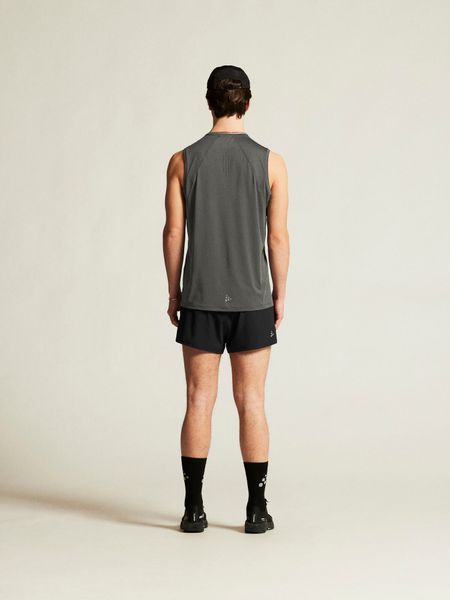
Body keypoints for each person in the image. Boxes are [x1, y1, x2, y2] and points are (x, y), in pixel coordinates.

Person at [162, 65, 290, 533]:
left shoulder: (182, 161)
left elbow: (173, 232)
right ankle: (256, 509)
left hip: (200, 298)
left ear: (209, 102)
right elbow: (278, 238)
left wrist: (174, 291)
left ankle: (193, 509)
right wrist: (279, 294)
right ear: (248, 102)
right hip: (253, 300)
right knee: (251, 400)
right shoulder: (272, 162)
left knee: (198, 399)